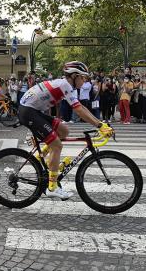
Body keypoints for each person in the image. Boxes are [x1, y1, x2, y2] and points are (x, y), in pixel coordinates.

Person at [18, 61, 114, 200]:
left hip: (33, 110)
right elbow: (79, 110)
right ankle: (52, 187)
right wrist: (99, 126)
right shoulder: (64, 85)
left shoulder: (66, 85)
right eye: (83, 77)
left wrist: (100, 123)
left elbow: (82, 107)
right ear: (74, 76)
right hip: (28, 112)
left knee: (64, 131)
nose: (85, 80)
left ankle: (42, 157)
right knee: (57, 145)